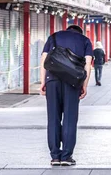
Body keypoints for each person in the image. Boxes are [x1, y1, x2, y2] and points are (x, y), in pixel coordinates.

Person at [40, 24, 93, 167]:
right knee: (70, 118)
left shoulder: (54, 37)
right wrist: (85, 85)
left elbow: (44, 60)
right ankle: (66, 156)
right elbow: (87, 65)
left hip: (52, 81)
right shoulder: (85, 40)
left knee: (53, 118)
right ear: (79, 32)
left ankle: (55, 157)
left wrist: (43, 82)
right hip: (73, 82)